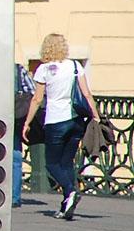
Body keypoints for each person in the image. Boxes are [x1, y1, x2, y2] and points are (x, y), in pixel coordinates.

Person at [22, 33, 99, 220]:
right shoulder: (75, 66)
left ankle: (70, 191)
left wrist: (27, 122)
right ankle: (66, 205)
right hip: (76, 121)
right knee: (66, 162)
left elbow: (37, 99)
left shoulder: (44, 70)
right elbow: (87, 94)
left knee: (52, 163)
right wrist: (96, 116)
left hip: (56, 121)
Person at [13, 63, 35, 206]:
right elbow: (31, 91)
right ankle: (14, 197)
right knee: (15, 158)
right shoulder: (17, 69)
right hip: (14, 116)